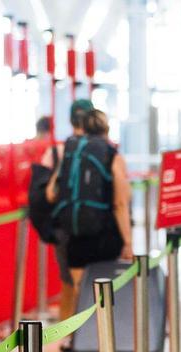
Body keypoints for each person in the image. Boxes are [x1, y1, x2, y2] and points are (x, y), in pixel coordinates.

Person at [46, 107, 134, 334]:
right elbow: (120, 203)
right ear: (106, 129)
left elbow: (51, 193)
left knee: (79, 291)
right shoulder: (111, 155)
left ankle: (79, 340)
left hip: (75, 234)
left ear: (82, 128)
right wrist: (128, 241)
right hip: (104, 234)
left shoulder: (71, 151)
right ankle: (100, 342)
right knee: (104, 295)